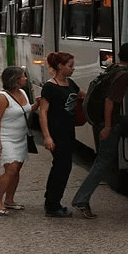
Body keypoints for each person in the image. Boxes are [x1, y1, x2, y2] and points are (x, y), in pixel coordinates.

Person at [72, 43, 128, 219]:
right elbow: (110, 101)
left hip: (114, 121)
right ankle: (81, 199)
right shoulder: (121, 75)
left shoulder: (114, 69)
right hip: (109, 123)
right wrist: (108, 127)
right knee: (102, 162)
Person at [0, 67, 40, 216]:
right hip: (6, 138)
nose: (26, 78)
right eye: (23, 76)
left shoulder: (22, 92)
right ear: (15, 79)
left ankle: (9, 200)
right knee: (10, 170)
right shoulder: (1, 97)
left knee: (16, 169)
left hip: (21, 137)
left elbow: (25, 110)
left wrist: (36, 105)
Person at [39, 52, 83, 218]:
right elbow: (43, 112)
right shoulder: (50, 87)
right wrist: (47, 136)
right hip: (56, 134)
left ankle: (51, 200)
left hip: (69, 132)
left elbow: (81, 95)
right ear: (60, 66)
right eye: (70, 66)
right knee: (61, 168)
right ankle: (52, 205)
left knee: (62, 167)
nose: (73, 69)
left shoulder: (70, 83)